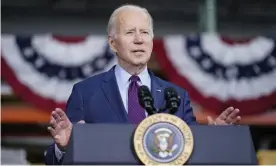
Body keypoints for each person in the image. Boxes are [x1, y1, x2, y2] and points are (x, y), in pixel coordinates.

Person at [44, 4, 241, 165]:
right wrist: (63, 148)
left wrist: (214, 140)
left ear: (152, 41)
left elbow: (192, 154)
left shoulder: (176, 96)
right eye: (130, 32)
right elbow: (58, 161)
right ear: (113, 43)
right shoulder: (86, 92)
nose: (139, 40)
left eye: (145, 32)